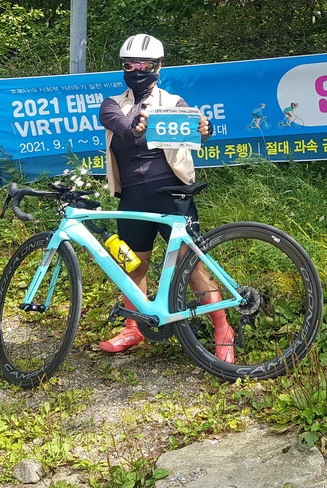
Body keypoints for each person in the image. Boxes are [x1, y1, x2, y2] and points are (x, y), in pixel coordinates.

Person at [98, 33, 234, 362]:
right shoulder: (111, 103)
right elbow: (118, 123)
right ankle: (133, 327)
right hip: (132, 197)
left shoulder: (173, 103)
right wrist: (136, 126)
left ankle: (223, 329)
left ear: (158, 67)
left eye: (144, 65)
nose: (136, 70)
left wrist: (205, 128)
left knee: (192, 266)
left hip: (172, 194)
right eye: (129, 65)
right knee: (133, 265)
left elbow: (197, 129)